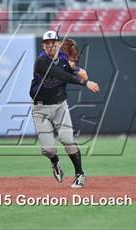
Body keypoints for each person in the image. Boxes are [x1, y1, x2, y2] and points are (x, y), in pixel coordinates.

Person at [29, 30, 100, 188]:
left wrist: (79, 71)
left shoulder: (64, 59)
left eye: (53, 42)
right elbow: (62, 75)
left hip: (60, 106)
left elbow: (78, 72)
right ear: (43, 46)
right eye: (47, 43)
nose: (50, 46)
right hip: (40, 109)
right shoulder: (41, 61)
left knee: (68, 141)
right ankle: (55, 162)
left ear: (59, 44)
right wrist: (85, 82)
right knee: (48, 150)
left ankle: (80, 174)